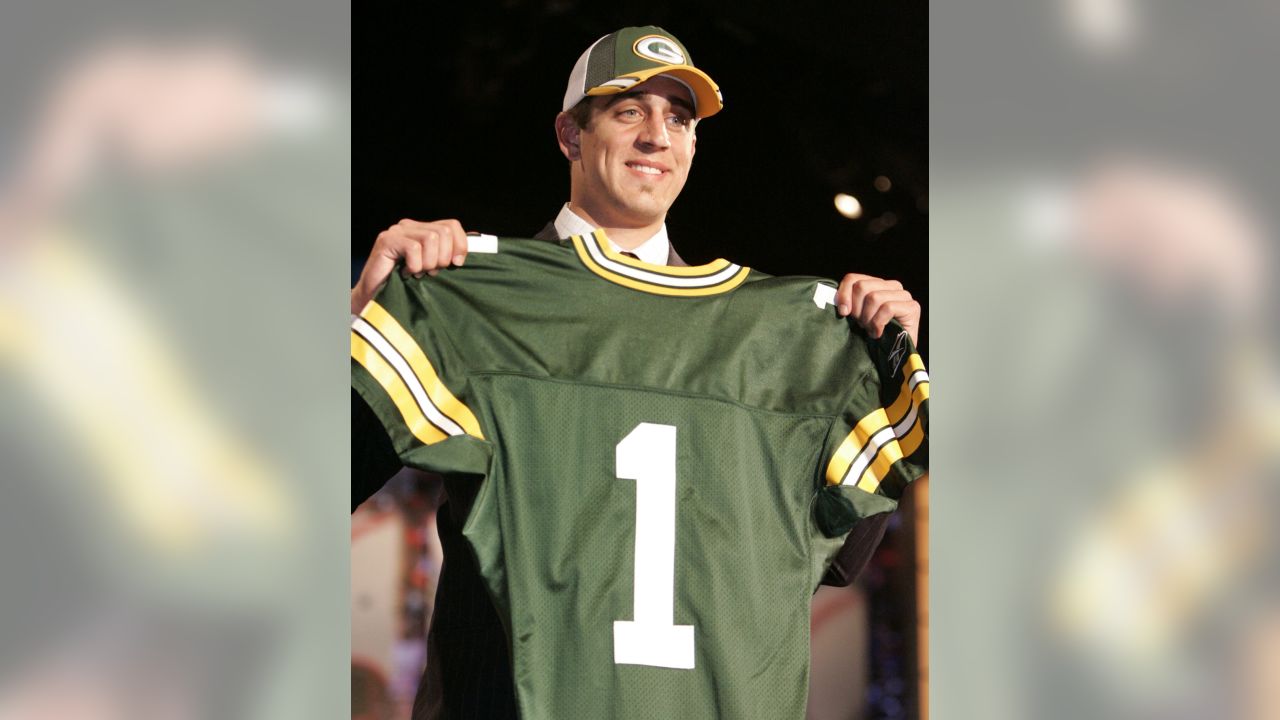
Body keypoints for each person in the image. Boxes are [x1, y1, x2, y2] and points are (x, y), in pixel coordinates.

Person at [352, 26, 924, 719]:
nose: (657, 135)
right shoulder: (478, 296)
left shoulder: (768, 339)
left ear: (692, 146)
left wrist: (883, 363)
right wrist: (362, 316)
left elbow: (836, 555)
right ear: (570, 135)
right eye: (629, 111)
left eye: (678, 119)